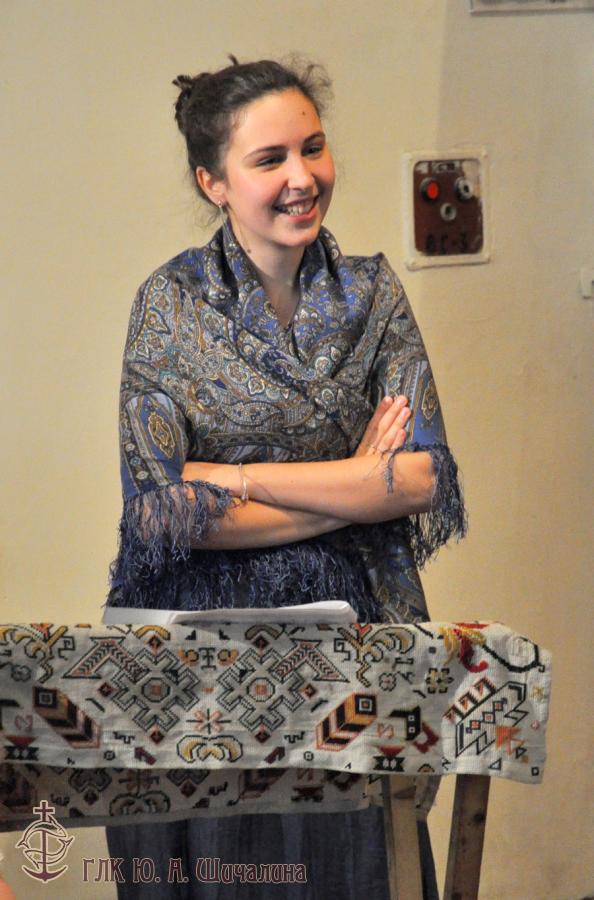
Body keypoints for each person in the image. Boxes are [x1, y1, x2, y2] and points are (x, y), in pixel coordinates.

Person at [105, 57, 466, 900]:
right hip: (195, 652)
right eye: (270, 159)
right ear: (214, 183)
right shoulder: (168, 305)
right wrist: (354, 488)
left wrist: (233, 478)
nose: (302, 178)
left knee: (355, 871)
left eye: (313, 148)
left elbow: (421, 479)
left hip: (352, 639)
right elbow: (163, 515)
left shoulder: (375, 294)